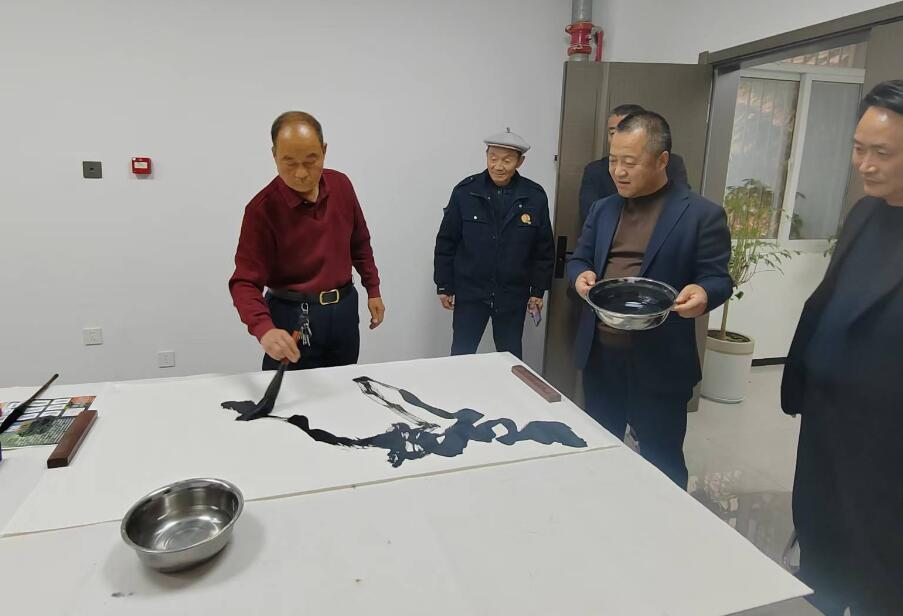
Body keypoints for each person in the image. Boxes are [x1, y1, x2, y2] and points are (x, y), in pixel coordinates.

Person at [782, 80, 903, 615]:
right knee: (822, 550)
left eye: (882, 153)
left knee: (878, 571)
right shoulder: (866, 212)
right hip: (827, 426)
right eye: (858, 148)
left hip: (887, 446)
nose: (865, 165)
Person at [567, 111, 731, 488]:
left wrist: (704, 293)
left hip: (660, 362)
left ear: (662, 160)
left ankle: (667, 522)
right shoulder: (603, 209)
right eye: (613, 160)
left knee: (662, 463)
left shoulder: (701, 214)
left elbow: (718, 278)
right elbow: (579, 258)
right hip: (601, 358)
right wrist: (580, 276)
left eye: (630, 162)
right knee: (600, 453)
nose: (619, 171)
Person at [229, 111, 385, 370]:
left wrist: (373, 288)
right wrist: (264, 329)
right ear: (274, 156)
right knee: (291, 391)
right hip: (292, 316)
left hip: (344, 310)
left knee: (343, 384)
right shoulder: (262, 210)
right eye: (289, 163)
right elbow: (244, 282)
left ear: (324, 151)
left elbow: (359, 242)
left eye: (311, 161)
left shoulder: (341, 185)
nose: (301, 173)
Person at [433, 130, 555, 359]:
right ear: (486, 156)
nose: (498, 166)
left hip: (512, 294)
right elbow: (446, 242)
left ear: (520, 161)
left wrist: (538, 290)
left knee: (510, 357)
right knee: (462, 353)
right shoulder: (465, 192)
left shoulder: (534, 196)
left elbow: (543, 250)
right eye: (493, 158)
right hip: (470, 292)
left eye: (507, 160)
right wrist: (444, 285)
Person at [578, 103, 689, 224]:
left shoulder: (693, 211)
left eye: (630, 163)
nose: (619, 172)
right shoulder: (601, 207)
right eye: (612, 132)